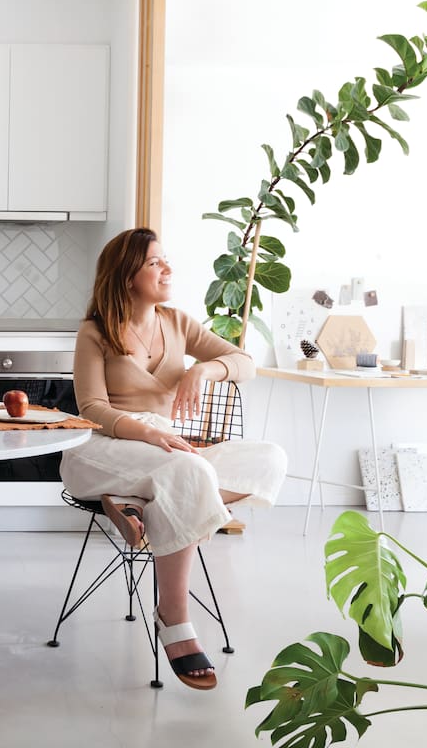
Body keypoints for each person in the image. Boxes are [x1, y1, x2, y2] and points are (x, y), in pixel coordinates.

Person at [60, 227, 285, 690]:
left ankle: (139, 504)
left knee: (269, 458)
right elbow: (91, 409)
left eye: (165, 259)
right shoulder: (95, 332)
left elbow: (245, 362)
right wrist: (147, 431)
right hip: (104, 448)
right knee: (191, 471)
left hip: (166, 453)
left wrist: (204, 369)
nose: (167, 268)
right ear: (127, 276)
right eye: (154, 262)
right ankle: (174, 615)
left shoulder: (178, 322)